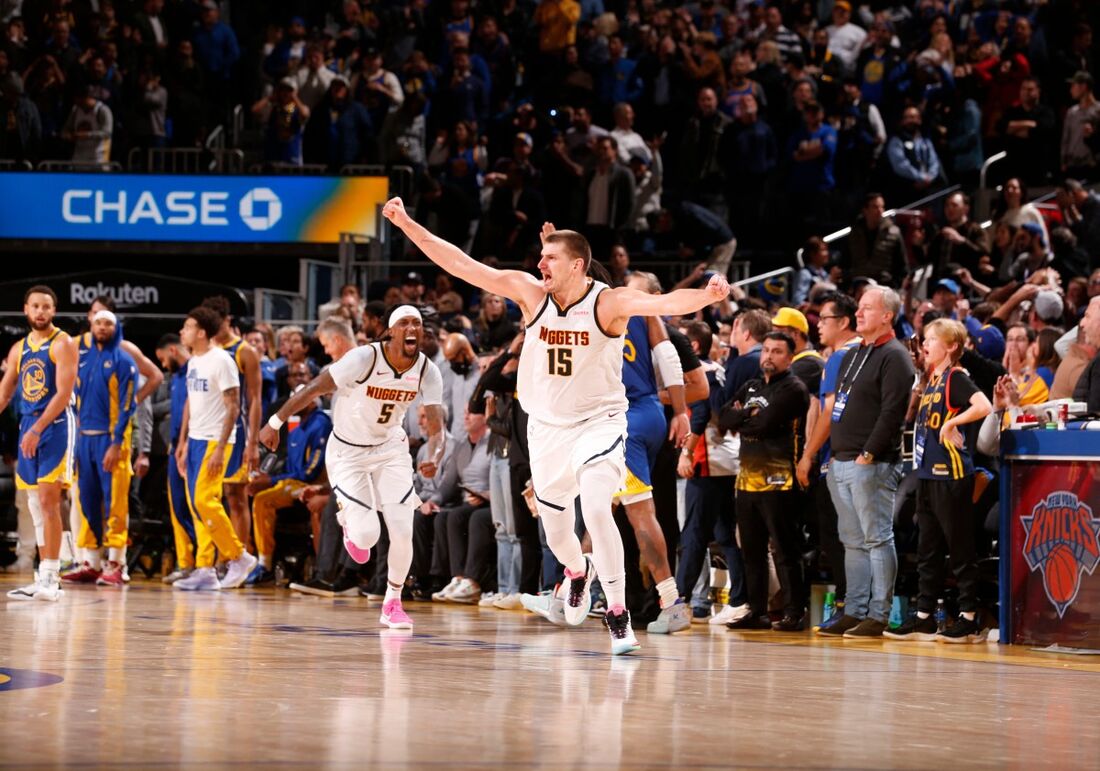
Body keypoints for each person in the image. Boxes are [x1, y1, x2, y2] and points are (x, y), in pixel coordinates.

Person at [382, 196, 730, 655]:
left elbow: (664, 301)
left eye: (550, 256)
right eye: (541, 256)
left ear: (577, 265)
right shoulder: (532, 295)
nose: (539, 260)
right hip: (546, 428)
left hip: (600, 423)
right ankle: (576, 573)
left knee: (600, 507)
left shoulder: (608, 303)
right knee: (560, 534)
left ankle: (618, 615)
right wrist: (406, 223)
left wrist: (708, 294)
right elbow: (463, 264)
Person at [259, 306, 447, 630]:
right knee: (367, 536)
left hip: (390, 451)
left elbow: (437, 427)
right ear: (390, 331)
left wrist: (436, 454)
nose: (412, 327)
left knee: (403, 531)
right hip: (348, 452)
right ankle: (350, 521)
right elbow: (315, 387)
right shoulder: (364, 359)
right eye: (404, 322)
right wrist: (274, 422)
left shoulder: (428, 370)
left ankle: (392, 601)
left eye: (417, 323)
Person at [885, 319, 993, 643]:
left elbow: (984, 405)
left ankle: (969, 617)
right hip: (927, 473)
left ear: (952, 347)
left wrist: (952, 424)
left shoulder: (955, 378)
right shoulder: (931, 380)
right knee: (927, 549)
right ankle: (924, 617)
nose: (925, 344)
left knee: (960, 549)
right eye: (925, 338)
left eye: (933, 339)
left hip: (952, 475)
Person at [819, 287, 915, 639]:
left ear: (887, 315)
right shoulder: (853, 354)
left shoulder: (895, 356)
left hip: (870, 462)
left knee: (876, 539)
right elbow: (840, 406)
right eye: (858, 307)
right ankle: (854, 610)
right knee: (852, 541)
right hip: (842, 461)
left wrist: (868, 453)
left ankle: (878, 613)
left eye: (866, 308)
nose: (858, 314)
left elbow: (892, 412)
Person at [719, 332, 810, 631]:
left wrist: (743, 417)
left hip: (779, 480)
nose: (769, 356)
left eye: (777, 351)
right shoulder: (752, 385)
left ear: (790, 357)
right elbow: (723, 417)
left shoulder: (793, 389)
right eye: (766, 350)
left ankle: (795, 611)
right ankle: (755, 610)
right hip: (746, 480)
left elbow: (766, 423)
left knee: (785, 549)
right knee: (752, 550)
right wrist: (748, 414)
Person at [172, 307, 258, 591]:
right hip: (195, 440)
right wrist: (183, 442)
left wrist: (222, 448)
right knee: (196, 506)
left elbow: (234, 407)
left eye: (186, 327)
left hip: (215, 441)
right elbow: (191, 404)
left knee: (205, 501)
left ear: (200, 332)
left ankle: (239, 556)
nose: (182, 332)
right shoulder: (195, 360)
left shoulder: (222, 360)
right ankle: (205, 567)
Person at [616, 309, 690, 634]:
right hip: (651, 411)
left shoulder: (582, 312)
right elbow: (667, 357)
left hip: (622, 419)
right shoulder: (639, 312)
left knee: (639, 512)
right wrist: (682, 411)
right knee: (602, 505)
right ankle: (572, 587)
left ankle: (671, 602)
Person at [1, 286, 76, 601]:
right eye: (36, 306)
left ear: (53, 311)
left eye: (46, 306)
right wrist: (28, 429)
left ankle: (52, 576)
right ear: (26, 309)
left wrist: (37, 429)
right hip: (28, 425)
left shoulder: (63, 343)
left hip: (55, 425)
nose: (41, 312)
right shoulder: (19, 349)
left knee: (48, 501)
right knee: (33, 504)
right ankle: (44, 577)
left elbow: (62, 393)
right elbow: (5, 391)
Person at [797, 292, 861, 629]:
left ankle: (848, 603)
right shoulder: (864, 353)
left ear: (844, 322)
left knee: (837, 537)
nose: (818, 325)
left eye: (824, 319)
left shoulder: (839, 358)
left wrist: (808, 455)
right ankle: (858, 604)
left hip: (836, 459)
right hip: (858, 456)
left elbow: (828, 413)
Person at [63, 310, 136, 588]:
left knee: (116, 503)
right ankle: (91, 563)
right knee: (86, 502)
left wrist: (117, 443)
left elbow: (129, 407)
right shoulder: (83, 359)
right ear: (91, 326)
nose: (102, 327)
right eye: (98, 323)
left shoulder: (124, 361)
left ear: (115, 328)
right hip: (85, 440)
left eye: (108, 323)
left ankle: (117, 563)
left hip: (111, 441)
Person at [248, 361, 331, 584]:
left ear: (311, 401)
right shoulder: (295, 425)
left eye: (300, 401)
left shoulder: (321, 423)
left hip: (308, 484)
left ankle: (265, 563)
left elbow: (310, 472)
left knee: (264, 499)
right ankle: (257, 560)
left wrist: (271, 480)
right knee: (253, 494)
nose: (294, 405)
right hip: (291, 482)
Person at [203, 296, 262, 556]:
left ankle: (239, 558)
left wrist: (252, 444)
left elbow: (255, 400)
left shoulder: (244, 351)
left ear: (227, 320)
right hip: (206, 432)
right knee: (208, 499)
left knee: (236, 497)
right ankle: (215, 559)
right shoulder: (204, 351)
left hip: (237, 433)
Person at [155, 334, 206, 584]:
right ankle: (185, 563)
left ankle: (206, 562)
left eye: (164, 359)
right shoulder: (175, 376)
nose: (164, 365)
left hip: (194, 445)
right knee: (177, 508)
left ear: (173, 350)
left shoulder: (195, 370)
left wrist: (185, 442)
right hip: (175, 447)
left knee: (195, 505)